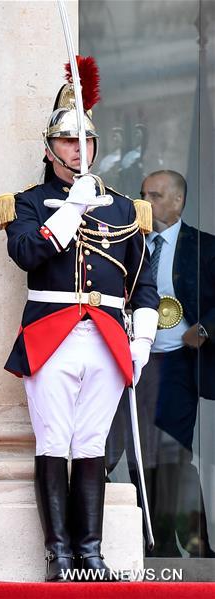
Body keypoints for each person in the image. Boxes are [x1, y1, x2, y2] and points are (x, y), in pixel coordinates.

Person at [0, 57, 159, 581]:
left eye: (84, 142)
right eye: (66, 142)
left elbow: (143, 281)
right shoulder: (29, 204)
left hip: (108, 337)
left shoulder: (126, 210)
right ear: (50, 149)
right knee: (53, 442)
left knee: (90, 445)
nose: (77, 150)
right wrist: (70, 209)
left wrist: (145, 337)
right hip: (51, 335)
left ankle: (90, 553)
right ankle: (58, 555)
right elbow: (26, 255)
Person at [106, 170, 215, 557]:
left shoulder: (203, 247)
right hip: (135, 361)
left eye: (153, 195)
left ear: (177, 201)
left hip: (179, 364)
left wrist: (203, 328)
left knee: (172, 454)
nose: (144, 203)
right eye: (142, 194)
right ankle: (157, 542)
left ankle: (193, 543)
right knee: (139, 453)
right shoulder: (128, 244)